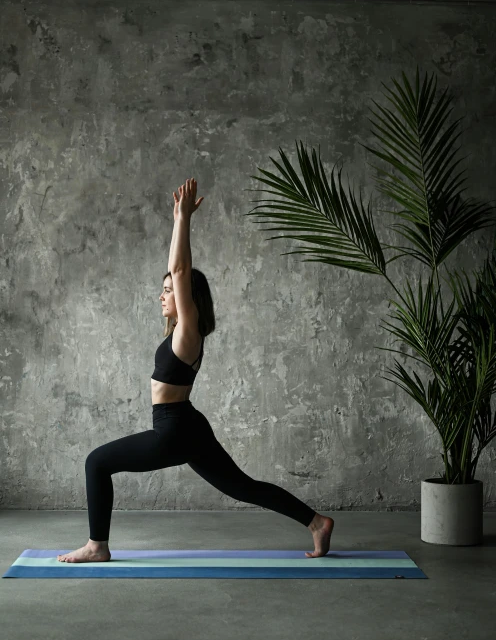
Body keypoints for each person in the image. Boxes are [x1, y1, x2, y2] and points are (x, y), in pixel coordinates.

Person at [57, 178, 334, 563]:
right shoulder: (179, 335)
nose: (162, 294)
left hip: (174, 428)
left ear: (188, 298)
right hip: (186, 425)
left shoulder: (189, 332)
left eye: (168, 289)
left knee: (96, 462)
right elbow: (178, 275)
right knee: (242, 487)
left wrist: (181, 219)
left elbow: (182, 268)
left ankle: (96, 546)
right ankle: (317, 522)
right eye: (164, 289)